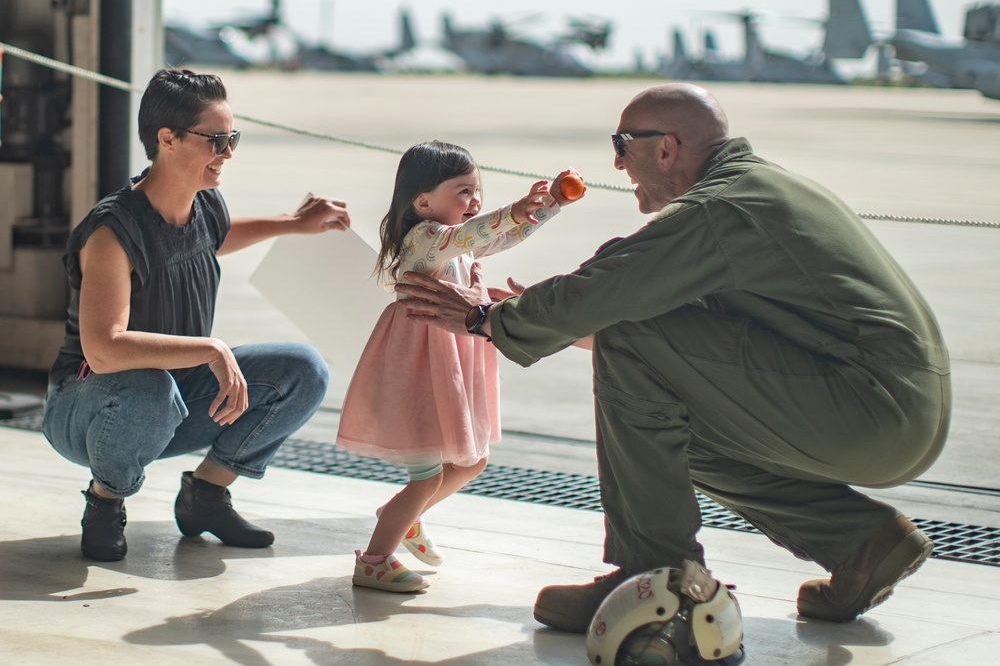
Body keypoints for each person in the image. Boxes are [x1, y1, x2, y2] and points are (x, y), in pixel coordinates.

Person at [394, 83, 950, 631]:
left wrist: (482, 319)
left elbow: (612, 287)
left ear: (665, 148)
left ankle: (654, 578)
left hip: (867, 409)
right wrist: (555, 322)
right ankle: (860, 543)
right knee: (675, 427)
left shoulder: (721, 207)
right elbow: (665, 319)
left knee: (629, 336)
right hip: (889, 411)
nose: (617, 164)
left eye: (621, 145)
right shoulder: (757, 188)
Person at [42, 68, 350, 562]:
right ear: (168, 139)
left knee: (303, 370)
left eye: (233, 138)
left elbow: (217, 237)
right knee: (150, 387)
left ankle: (205, 495)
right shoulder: (112, 232)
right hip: (89, 409)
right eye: (217, 140)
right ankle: (105, 500)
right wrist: (212, 348)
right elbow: (104, 350)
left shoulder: (203, 205)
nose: (228, 153)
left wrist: (295, 224)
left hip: (174, 402)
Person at [337, 140, 582, 592]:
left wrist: (552, 205)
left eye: (476, 191)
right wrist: (512, 209)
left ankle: (407, 517)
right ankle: (373, 561)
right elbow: (470, 235)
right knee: (426, 476)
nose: (474, 200)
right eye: (463, 191)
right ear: (423, 201)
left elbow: (504, 235)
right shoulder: (426, 239)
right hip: (419, 366)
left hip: (452, 359)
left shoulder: (457, 244)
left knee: (471, 462)